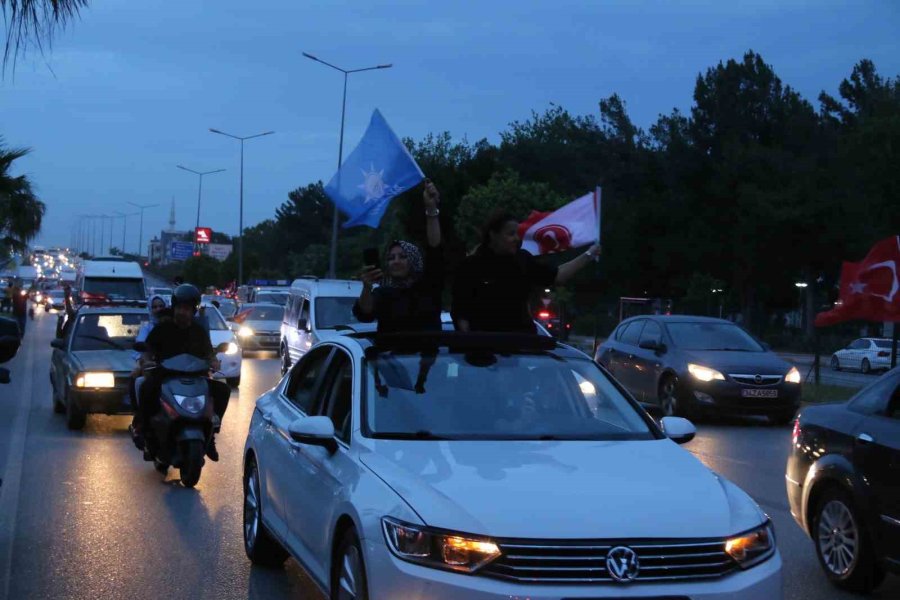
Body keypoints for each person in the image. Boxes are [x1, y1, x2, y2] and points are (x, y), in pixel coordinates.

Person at [452, 209, 601, 334]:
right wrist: (471, 345)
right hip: (484, 350)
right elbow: (460, 312)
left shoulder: (523, 261)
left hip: (522, 346)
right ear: (493, 235)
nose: (516, 239)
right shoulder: (471, 266)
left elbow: (557, 276)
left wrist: (589, 254)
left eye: (518, 234)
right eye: (511, 234)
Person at [136, 284, 230, 461]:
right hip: (166, 376)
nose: (182, 312)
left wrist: (213, 361)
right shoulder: (163, 328)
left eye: (186, 309)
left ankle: (211, 432)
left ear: (193, 310)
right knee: (146, 388)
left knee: (222, 390)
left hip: (196, 377)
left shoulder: (199, 331)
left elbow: (208, 353)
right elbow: (148, 350)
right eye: (179, 308)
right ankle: (144, 430)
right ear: (174, 307)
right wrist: (147, 360)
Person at [353, 180, 444, 333]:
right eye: (391, 258)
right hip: (389, 350)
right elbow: (365, 314)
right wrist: (367, 288)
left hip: (426, 349)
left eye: (402, 256)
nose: (396, 261)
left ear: (413, 259)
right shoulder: (383, 293)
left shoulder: (429, 286)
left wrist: (431, 210)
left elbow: (435, 248)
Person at [129, 295, 170, 418]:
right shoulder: (149, 329)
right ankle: (141, 417)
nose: (158, 309)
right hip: (157, 369)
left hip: (176, 370)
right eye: (155, 307)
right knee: (138, 382)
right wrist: (143, 363)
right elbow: (144, 350)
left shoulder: (177, 328)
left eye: (161, 306)